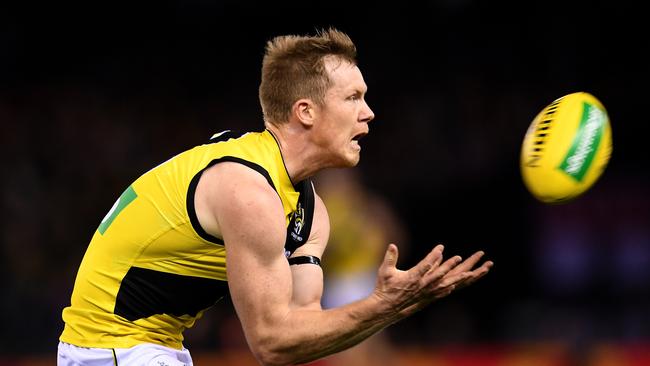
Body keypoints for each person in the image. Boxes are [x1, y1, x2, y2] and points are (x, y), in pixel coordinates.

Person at [57, 28, 493, 366]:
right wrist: (385, 305)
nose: (368, 112)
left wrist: (392, 308)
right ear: (306, 111)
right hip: (108, 349)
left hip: (153, 349)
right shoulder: (248, 189)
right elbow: (270, 344)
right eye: (353, 97)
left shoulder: (310, 210)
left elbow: (301, 333)